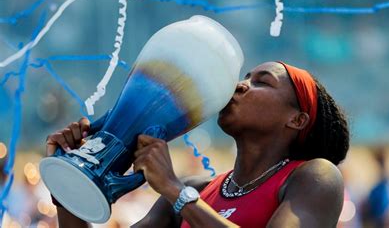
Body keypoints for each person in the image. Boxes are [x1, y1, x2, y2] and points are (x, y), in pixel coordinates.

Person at [46, 61, 350, 227]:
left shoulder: (315, 177)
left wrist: (176, 191)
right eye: (245, 77)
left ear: (296, 120)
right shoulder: (198, 188)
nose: (240, 85)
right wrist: (70, 182)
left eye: (262, 81)